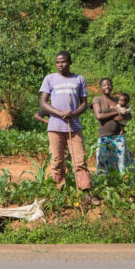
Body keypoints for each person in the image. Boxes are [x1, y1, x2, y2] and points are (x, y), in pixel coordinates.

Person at [39, 51, 92, 194]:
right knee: (57, 161)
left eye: (63, 62)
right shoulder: (50, 78)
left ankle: (85, 191)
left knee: (79, 160)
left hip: (74, 127)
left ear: (70, 62)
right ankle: (59, 192)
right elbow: (43, 103)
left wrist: (73, 113)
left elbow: (84, 104)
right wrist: (59, 113)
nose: (60, 65)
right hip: (55, 126)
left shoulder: (79, 79)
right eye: (57, 62)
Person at [93, 78, 134, 174]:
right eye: (104, 85)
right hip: (104, 136)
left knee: (121, 161)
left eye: (109, 84)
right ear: (100, 87)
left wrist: (124, 115)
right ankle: (105, 184)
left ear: (112, 86)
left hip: (119, 136)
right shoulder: (97, 99)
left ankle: (122, 184)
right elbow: (99, 116)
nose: (107, 87)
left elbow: (129, 115)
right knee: (102, 161)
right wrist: (117, 112)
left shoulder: (118, 100)